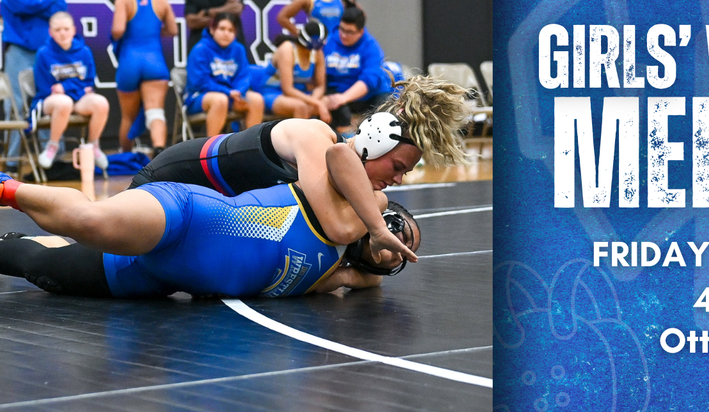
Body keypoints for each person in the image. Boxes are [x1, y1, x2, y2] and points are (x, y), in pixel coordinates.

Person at [129, 75, 470, 259]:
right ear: (376, 140)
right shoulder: (314, 137)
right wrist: (376, 218)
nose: (397, 181)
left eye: (404, 173)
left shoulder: (341, 179)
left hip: (192, 212)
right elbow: (335, 229)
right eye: (397, 166)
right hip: (164, 180)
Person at [0, 169, 420, 297]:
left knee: (40, 268)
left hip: (157, 279)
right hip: (186, 216)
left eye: (405, 256)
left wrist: (377, 263)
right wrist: (379, 219)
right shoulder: (336, 203)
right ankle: (7, 188)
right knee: (91, 222)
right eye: (402, 234)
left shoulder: (336, 277)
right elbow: (342, 156)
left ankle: (14, 243)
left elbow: (368, 278)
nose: (396, 251)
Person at [1, 0, 67, 174]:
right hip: (18, 49)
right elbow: (20, 4)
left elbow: (61, 5)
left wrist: (39, 2)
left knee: (48, 101)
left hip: (45, 52)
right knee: (16, 105)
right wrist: (47, 0)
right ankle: (11, 162)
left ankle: (52, 161)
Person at [111, 0, 177, 156]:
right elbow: (173, 30)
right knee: (155, 111)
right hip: (154, 61)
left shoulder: (124, 0)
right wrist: (154, 32)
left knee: (128, 118)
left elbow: (117, 30)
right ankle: (158, 149)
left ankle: (126, 156)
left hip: (130, 62)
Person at [31, 12, 110, 170]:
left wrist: (66, 87)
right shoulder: (43, 53)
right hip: (51, 101)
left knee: (101, 103)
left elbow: (89, 82)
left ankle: (93, 146)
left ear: (73, 30)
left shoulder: (84, 52)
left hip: (77, 98)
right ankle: (52, 147)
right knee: (64, 102)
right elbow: (45, 88)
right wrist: (76, 88)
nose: (62, 33)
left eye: (66, 29)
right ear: (50, 32)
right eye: (58, 29)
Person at [184, 12, 263, 136]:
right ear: (212, 29)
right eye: (222, 29)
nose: (226, 33)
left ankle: (252, 147)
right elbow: (199, 82)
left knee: (256, 100)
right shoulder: (200, 49)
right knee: (220, 100)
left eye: (231, 30)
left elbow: (244, 75)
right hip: (199, 97)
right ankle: (211, 150)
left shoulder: (238, 49)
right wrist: (227, 92)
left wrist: (238, 92)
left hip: (231, 95)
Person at [322, 7, 394, 133]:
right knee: (334, 107)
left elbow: (370, 79)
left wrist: (344, 97)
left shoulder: (371, 47)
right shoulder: (328, 42)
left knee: (384, 107)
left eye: (349, 32)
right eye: (342, 29)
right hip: (337, 94)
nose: (344, 35)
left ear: (360, 32)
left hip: (367, 96)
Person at [252, 20, 330, 121]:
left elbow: (320, 86)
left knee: (327, 101)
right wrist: (316, 103)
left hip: (300, 94)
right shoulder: (287, 49)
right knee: (301, 107)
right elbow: (287, 89)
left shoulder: (317, 52)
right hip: (274, 93)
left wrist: (315, 101)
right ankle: (300, 136)